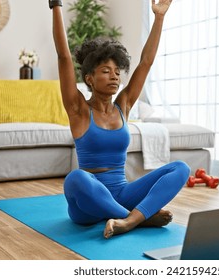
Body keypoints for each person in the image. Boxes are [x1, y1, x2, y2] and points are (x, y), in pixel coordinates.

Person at [49, 0, 190, 239]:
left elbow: (146, 63)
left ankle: (128, 221)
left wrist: (159, 18)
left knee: (181, 168)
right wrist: (56, 5)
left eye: (117, 72)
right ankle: (140, 218)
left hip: (123, 192)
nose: (114, 76)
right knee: (76, 178)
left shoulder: (123, 105)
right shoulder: (79, 109)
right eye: (105, 71)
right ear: (90, 79)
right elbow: (63, 56)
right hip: (88, 203)